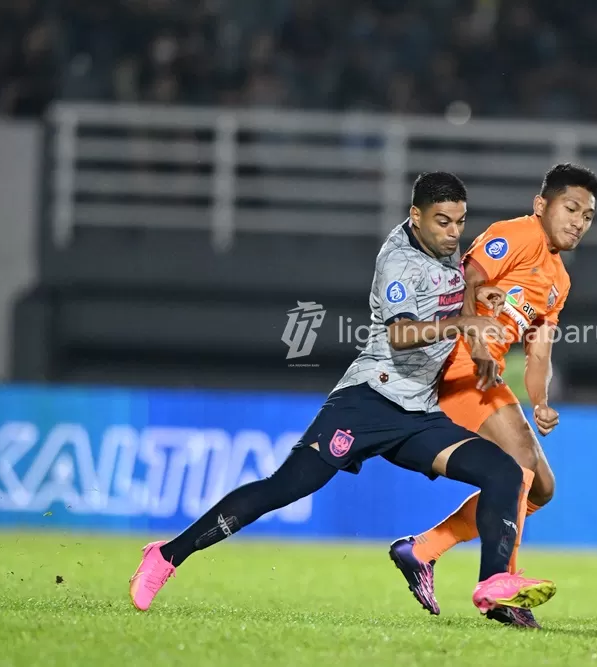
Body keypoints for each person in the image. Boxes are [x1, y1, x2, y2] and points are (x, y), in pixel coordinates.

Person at [128, 172, 557, 617]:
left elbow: (458, 289)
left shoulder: (445, 250)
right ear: (416, 216)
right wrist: (463, 325)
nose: (453, 233)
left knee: (505, 472)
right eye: (442, 221)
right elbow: (402, 335)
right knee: (283, 488)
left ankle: (492, 585)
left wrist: (481, 310)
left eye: (459, 222)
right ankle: (165, 556)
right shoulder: (398, 262)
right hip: (367, 401)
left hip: (418, 415)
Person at [388, 163, 597, 628]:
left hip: (485, 373)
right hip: (456, 361)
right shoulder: (517, 234)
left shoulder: (558, 281)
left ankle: (422, 549)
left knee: (540, 488)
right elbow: (467, 279)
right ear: (541, 205)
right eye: (570, 208)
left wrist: (541, 401)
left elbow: (540, 350)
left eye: (587, 216)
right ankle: (502, 589)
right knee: (522, 465)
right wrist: (480, 344)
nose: (578, 222)